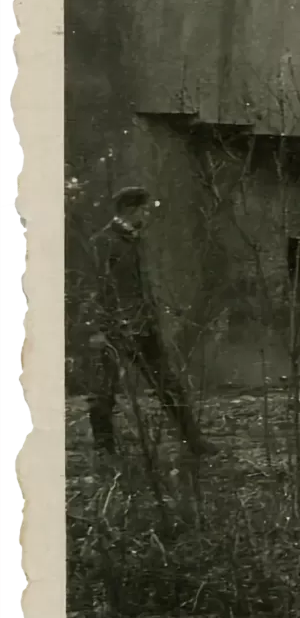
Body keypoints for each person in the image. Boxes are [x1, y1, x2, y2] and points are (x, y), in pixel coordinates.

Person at [85, 186, 216, 458]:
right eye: (144, 209)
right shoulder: (103, 242)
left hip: (143, 327)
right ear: (130, 210)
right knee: (103, 392)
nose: (147, 215)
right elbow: (95, 289)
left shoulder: (136, 241)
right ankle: (104, 451)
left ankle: (194, 442)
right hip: (114, 330)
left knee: (169, 385)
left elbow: (142, 284)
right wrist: (100, 329)